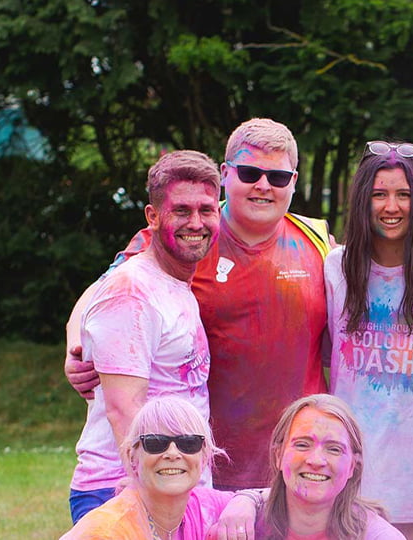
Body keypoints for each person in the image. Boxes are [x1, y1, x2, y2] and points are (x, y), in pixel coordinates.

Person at [65, 118, 332, 493]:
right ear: (226, 174)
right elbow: (103, 292)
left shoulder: (319, 242)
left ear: (294, 180)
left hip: (293, 468)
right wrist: (75, 345)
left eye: (278, 177)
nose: (263, 185)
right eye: (250, 172)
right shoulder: (188, 233)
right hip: (202, 469)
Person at [68, 150, 221, 522]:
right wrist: (154, 503)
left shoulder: (174, 283)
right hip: (125, 492)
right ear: (152, 217)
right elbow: (125, 411)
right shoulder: (132, 291)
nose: (196, 222)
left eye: (206, 210)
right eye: (181, 211)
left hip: (170, 487)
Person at [323, 141, 413, 539]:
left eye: (404, 195)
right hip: (349, 479)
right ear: (363, 200)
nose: (391, 207)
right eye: (379, 194)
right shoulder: (336, 269)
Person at [62, 396, 261, 539]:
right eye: (156, 442)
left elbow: (282, 499)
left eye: (188, 443)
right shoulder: (106, 532)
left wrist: (247, 499)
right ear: (133, 457)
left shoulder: (202, 505)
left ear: (205, 456)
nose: (173, 453)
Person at [261, 394, 405, 540]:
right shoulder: (244, 522)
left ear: (352, 466)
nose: (316, 461)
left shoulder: (381, 537)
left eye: (334, 449)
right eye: (302, 444)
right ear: (278, 455)